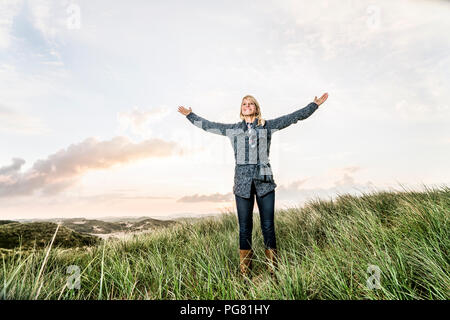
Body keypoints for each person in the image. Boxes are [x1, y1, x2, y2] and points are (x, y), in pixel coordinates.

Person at [178, 93, 328, 279]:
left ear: (256, 108)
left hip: (264, 181)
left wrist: (313, 105)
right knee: (244, 228)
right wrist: (190, 115)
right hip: (242, 183)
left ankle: (273, 272)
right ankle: (245, 274)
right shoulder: (233, 129)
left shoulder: (267, 126)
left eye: (251, 104)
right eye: (244, 104)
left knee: (268, 226)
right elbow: (209, 126)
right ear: (241, 109)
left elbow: (292, 118)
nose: (247, 106)